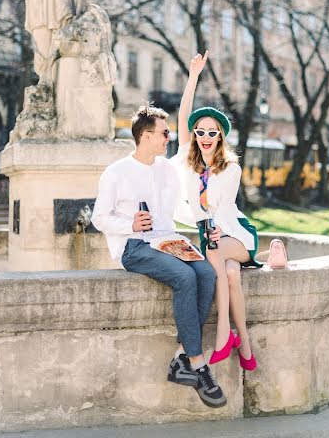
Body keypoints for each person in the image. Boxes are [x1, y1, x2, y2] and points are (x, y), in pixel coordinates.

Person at [91, 104, 227, 408]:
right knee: (183, 277)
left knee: (206, 273)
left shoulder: (166, 169)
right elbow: (99, 218)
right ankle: (198, 365)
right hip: (134, 246)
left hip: (167, 240)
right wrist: (129, 224)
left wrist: (206, 226)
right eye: (165, 133)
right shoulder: (116, 173)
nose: (169, 138)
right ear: (146, 136)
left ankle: (180, 357)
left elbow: (178, 210)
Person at [173, 51, 260, 371]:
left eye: (212, 132)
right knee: (231, 273)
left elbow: (223, 212)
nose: (205, 137)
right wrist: (193, 75)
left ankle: (224, 333)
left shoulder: (231, 167)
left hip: (235, 233)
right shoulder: (187, 158)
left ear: (220, 136)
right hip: (211, 236)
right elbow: (182, 116)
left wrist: (216, 232)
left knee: (212, 248)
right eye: (200, 131)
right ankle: (245, 343)